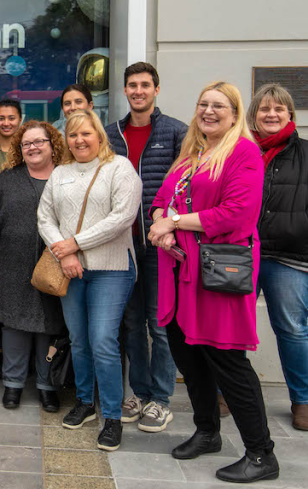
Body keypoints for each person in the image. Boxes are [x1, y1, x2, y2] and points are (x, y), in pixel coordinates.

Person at [148, 81, 278, 483]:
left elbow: (237, 213)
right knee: (189, 357)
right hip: (178, 273)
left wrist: (174, 222)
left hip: (217, 274)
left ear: (235, 114)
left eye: (218, 106)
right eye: (203, 104)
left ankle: (261, 454)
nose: (208, 111)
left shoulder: (244, 153)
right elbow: (160, 202)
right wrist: (160, 224)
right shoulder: (192, 154)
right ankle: (207, 432)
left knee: (228, 361)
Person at [38, 110, 141, 452]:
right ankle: (84, 401)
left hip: (111, 270)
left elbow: (122, 217)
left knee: (102, 341)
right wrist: (65, 254)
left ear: (99, 135)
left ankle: (111, 417)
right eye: (73, 135)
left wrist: (76, 244)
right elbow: (45, 217)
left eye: (86, 134)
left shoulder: (120, 168)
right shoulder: (61, 173)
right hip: (71, 270)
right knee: (79, 340)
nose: (79, 140)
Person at [249, 84, 308, 432]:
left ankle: (301, 401)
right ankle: (227, 392)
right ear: (254, 115)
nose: (271, 115)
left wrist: (297, 226)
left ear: (291, 114)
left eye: (279, 109)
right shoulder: (241, 153)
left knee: (291, 329)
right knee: (232, 328)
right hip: (243, 253)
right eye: (264, 109)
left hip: (290, 257)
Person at [105, 62, 186, 433]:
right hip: (122, 246)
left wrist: (169, 225)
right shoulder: (110, 135)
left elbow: (188, 187)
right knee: (132, 323)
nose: (138, 91)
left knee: (160, 323)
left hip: (159, 246)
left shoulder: (175, 133)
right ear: (124, 91)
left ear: (156, 89)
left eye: (145, 85)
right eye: (132, 85)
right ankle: (138, 392)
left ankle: (161, 399)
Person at [0, 121, 67, 412]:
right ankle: (13, 384)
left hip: (55, 266)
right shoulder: (8, 179)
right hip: (13, 262)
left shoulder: (66, 177)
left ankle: (47, 386)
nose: (32, 147)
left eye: (39, 141)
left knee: (50, 325)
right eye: (26, 143)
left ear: (52, 143)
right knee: (14, 325)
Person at [0, 98, 22, 169]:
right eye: (1, 118)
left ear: (20, 120)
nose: (6, 123)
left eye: (11, 118)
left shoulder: (28, 149)